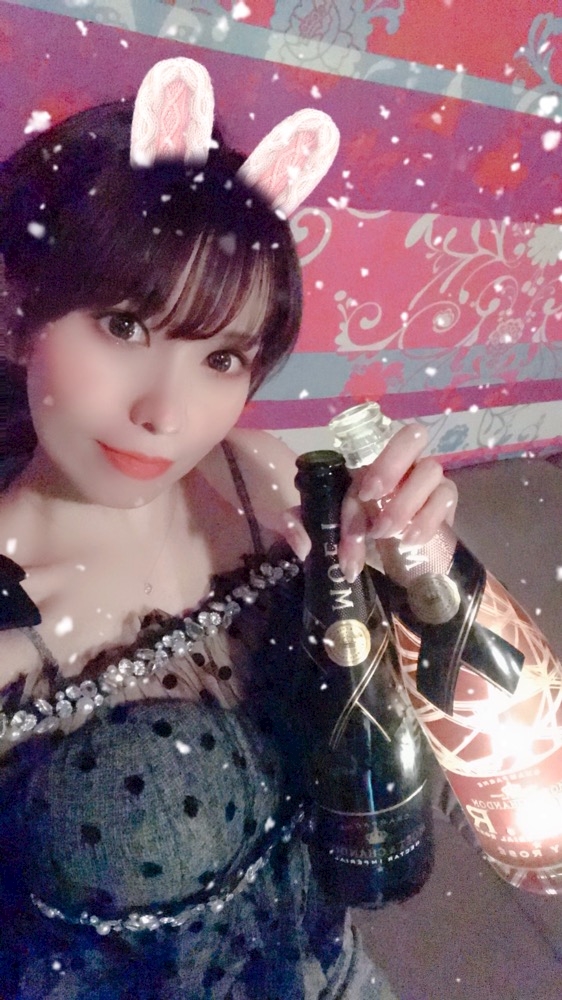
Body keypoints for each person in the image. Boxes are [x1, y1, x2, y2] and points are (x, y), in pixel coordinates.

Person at [0, 58, 458, 999]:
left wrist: (422, 588)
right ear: (18, 317)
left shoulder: (263, 480)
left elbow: (451, 762)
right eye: (125, 326)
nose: (166, 416)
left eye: (221, 356)